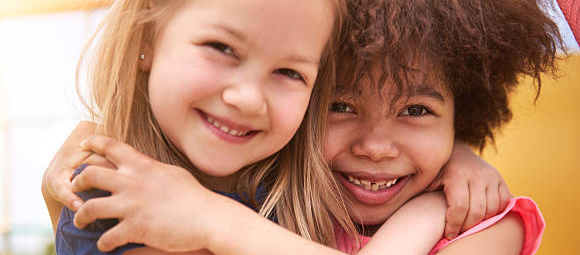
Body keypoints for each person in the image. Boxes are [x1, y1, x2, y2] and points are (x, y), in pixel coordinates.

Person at [61, 0, 562, 254]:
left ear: (465, 114)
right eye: (341, 106)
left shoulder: (487, 227)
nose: (376, 146)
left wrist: (449, 175)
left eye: (416, 111)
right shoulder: (278, 197)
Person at [43, 0, 362, 253]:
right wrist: (215, 222)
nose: (249, 99)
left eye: (290, 72)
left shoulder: (319, 196)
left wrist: (211, 216)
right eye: (221, 48)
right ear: (147, 36)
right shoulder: (109, 194)